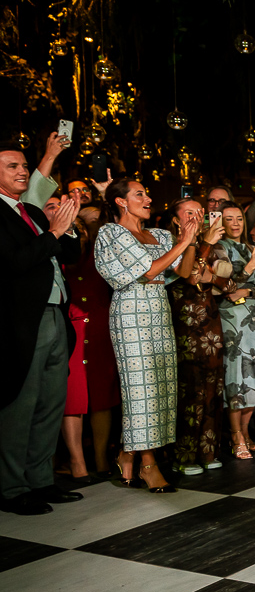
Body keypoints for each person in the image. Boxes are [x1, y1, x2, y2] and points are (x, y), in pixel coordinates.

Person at [95, 180, 198, 493]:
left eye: (147, 193)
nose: (148, 198)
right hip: (129, 313)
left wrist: (191, 240)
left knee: (161, 387)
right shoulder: (111, 233)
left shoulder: (162, 235)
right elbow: (149, 271)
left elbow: (183, 272)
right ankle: (148, 465)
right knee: (140, 389)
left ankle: (127, 454)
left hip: (159, 312)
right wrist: (183, 242)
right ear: (121, 201)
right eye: (139, 194)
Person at [0, 142, 82, 514]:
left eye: (24, 165)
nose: (22, 171)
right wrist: (53, 233)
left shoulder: (31, 211)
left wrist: (69, 226)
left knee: (51, 403)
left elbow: (70, 255)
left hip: (55, 316)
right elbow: (14, 263)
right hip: (22, 322)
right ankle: (11, 488)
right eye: (12, 166)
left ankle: (41, 480)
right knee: (21, 407)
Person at [60, 197, 121, 481]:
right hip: (70, 328)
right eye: (73, 227)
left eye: (82, 227)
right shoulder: (60, 254)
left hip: (100, 327)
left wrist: (106, 195)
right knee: (73, 397)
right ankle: (77, 462)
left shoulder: (102, 253)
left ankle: (101, 458)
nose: (79, 231)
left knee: (101, 395)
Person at [168, 198, 228, 474]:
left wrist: (212, 277)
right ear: (176, 220)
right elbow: (190, 276)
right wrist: (203, 244)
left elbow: (230, 284)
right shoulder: (171, 243)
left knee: (212, 390)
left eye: (199, 212)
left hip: (211, 324)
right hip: (186, 323)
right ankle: (184, 457)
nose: (195, 216)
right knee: (189, 390)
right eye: (188, 212)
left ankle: (208, 451)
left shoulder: (216, 244)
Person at [210, 202, 255, 458]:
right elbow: (222, 287)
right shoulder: (218, 248)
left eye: (239, 218)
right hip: (231, 318)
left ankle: (245, 432)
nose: (235, 223)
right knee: (236, 377)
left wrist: (247, 290)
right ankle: (235, 435)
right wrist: (250, 266)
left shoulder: (249, 246)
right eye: (229, 218)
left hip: (253, 318)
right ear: (220, 222)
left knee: (254, 376)